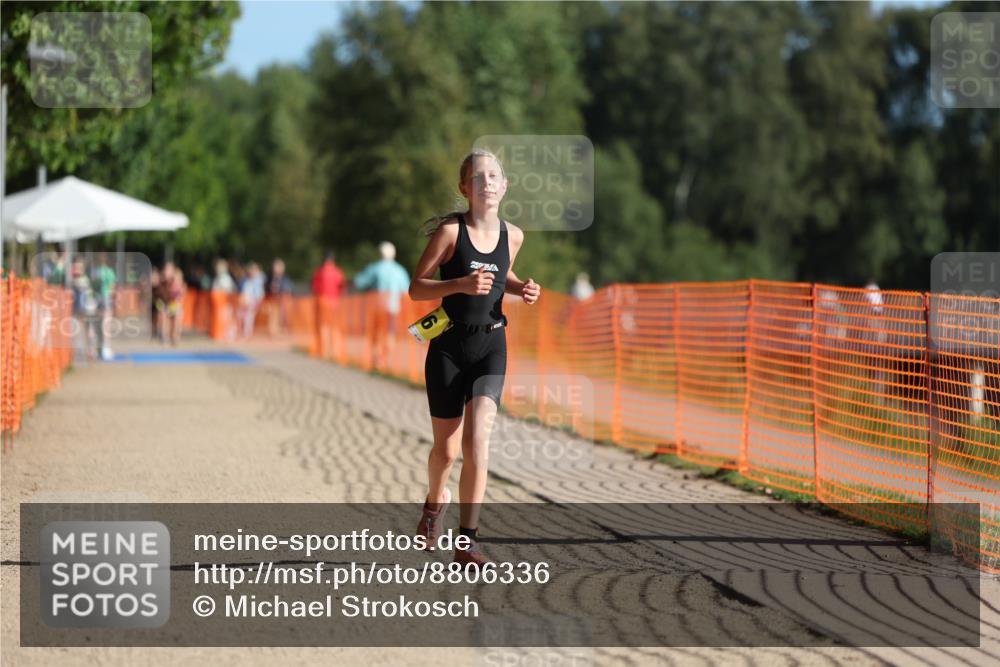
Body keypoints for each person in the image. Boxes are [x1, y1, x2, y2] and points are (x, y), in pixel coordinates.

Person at [409, 149, 541, 568]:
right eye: (478, 176)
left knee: (478, 441)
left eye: (494, 176)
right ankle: (434, 505)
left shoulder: (514, 236)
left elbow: (502, 278)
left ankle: (467, 541)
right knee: (446, 453)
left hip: (491, 346)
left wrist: (523, 289)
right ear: (465, 188)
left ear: (504, 187)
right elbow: (417, 288)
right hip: (448, 347)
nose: (487, 182)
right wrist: (461, 284)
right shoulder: (451, 233)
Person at [354, 241, 411, 370]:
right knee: (390, 333)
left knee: (375, 333)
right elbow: (406, 291)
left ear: (379, 253)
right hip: (393, 308)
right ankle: (385, 359)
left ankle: (377, 361)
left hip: (376, 307)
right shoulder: (400, 270)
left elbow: (359, 283)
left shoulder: (374, 268)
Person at [311, 252, 346, 359]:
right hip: (335, 302)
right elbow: (342, 286)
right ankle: (334, 351)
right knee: (334, 326)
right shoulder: (337, 272)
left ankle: (324, 351)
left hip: (322, 301)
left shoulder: (319, 271)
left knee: (323, 326)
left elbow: (314, 286)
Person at [91, 253, 116, 360]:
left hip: (100, 299)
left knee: (100, 326)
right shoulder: (105, 271)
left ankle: (101, 349)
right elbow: (112, 287)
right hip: (102, 299)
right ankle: (102, 349)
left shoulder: (97, 272)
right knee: (104, 326)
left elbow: (111, 287)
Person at [266, 258, 294, 336]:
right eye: (275, 266)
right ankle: (273, 332)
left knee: (283, 316)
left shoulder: (286, 278)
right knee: (273, 316)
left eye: (278, 267)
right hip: (273, 300)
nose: (276, 268)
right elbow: (268, 288)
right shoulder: (270, 278)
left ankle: (283, 331)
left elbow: (288, 289)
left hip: (283, 301)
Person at [238, 262, 266, 338]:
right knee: (241, 315)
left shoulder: (258, 281)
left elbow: (259, 294)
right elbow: (244, 291)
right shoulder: (246, 280)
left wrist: (257, 302)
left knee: (249, 317)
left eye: (254, 270)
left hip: (253, 302)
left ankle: (247, 333)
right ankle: (242, 331)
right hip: (245, 301)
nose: (252, 272)